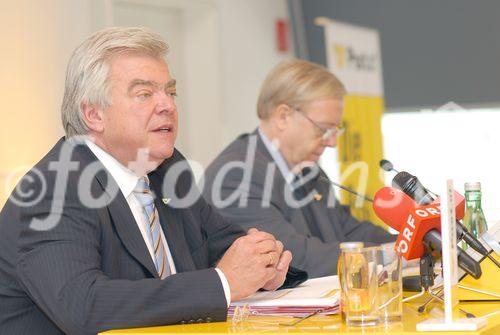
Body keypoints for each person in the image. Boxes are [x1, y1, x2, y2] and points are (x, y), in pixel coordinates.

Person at [0, 27, 293, 335]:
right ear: (93, 114)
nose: (167, 105)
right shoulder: (54, 190)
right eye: (144, 94)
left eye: (170, 92)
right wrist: (223, 282)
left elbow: (225, 243)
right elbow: (85, 306)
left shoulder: (167, 170)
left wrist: (266, 265)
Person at [203, 59, 395, 278]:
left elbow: (349, 229)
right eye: (324, 129)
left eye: (335, 131)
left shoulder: (308, 170)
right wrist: (386, 255)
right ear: (283, 116)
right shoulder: (236, 175)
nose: (332, 142)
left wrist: (410, 244)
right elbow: (294, 257)